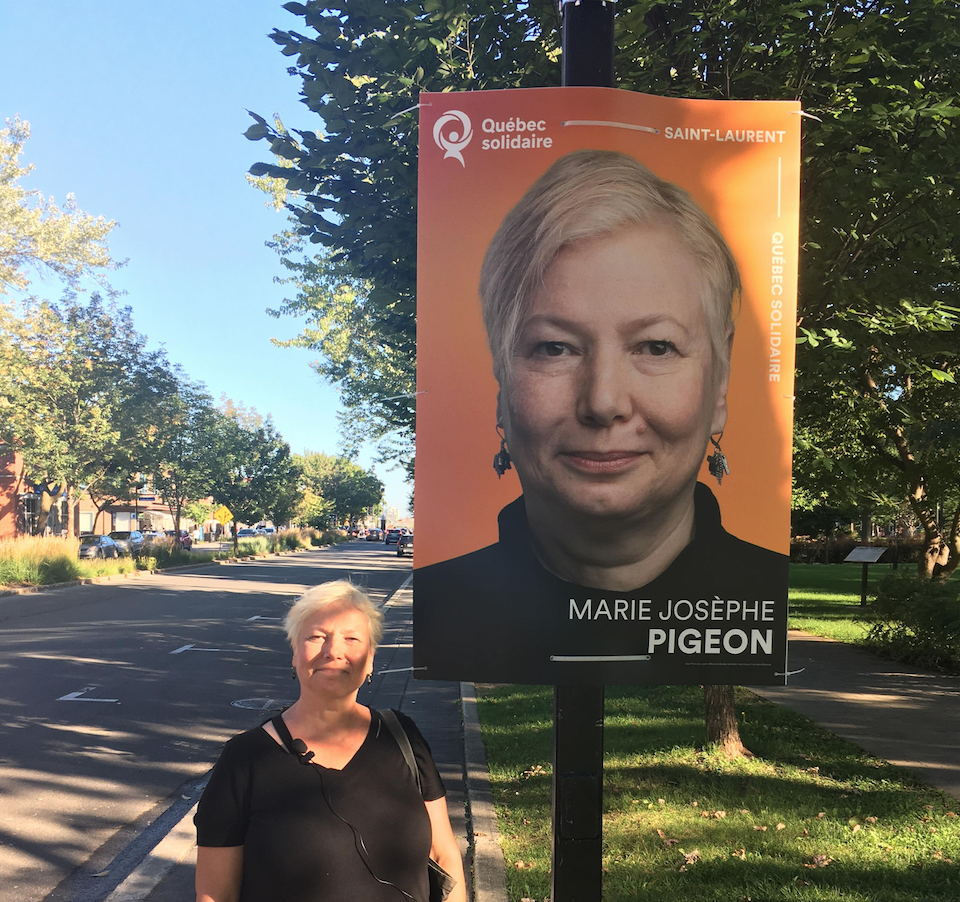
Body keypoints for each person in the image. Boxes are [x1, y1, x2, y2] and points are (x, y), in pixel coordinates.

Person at [414, 149, 789, 686]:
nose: (603, 401)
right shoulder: (444, 607)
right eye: (554, 348)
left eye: (656, 347)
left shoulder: (762, 592)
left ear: (720, 381)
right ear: (501, 382)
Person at [195, 580, 466, 902]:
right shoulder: (246, 758)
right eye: (316, 637)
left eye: (351, 639)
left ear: (371, 660)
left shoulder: (403, 736)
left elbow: (443, 854)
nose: (333, 651)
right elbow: (215, 894)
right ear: (294, 654)